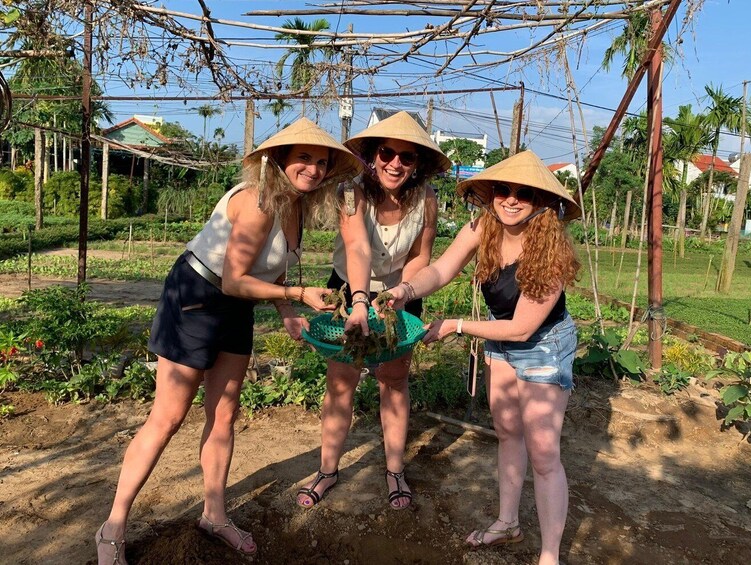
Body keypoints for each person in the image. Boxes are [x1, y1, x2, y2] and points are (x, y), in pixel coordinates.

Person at [95, 118, 360, 565]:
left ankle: (214, 515)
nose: (313, 170)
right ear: (277, 160)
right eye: (304, 159)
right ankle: (113, 524)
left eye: (321, 163)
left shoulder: (294, 206)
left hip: (237, 305)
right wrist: (296, 295)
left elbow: (269, 267)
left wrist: (288, 314)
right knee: (169, 416)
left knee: (224, 413)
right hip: (197, 297)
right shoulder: (256, 203)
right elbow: (236, 277)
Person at [383, 150, 581, 564]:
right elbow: (441, 269)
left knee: (544, 453)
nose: (510, 199)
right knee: (508, 431)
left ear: (542, 201)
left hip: (543, 344)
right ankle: (508, 522)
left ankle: (550, 556)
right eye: (502, 190)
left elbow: (523, 327)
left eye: (523, 193)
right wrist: (405, 291)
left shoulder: (551, 252)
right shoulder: (483, 227)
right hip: (500, 337)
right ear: (489, 193)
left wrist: (455, 326)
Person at [296, 111, 451, 510]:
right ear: (371, 154)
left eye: (407, 156)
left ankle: (394, 470)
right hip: (350, 287)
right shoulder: (352, 192)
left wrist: (400, 293)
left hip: (399, 294)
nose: (395, 163)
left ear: (418, 163)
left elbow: (421, 256)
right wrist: (362, 302)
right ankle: (328, 471)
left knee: (394, 380)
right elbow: (357, 248)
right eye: (386, 152)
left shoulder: (427, 199)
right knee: (341, 380)